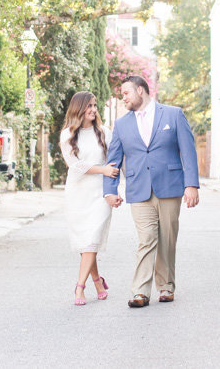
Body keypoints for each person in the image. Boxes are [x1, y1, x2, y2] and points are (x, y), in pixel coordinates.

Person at [104, 75, 199, 308]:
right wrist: (110, 191)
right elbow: (113, 160)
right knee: (146, 239)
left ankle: (166, 286)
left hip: (170, 186)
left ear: (140, 90)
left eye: (126, 93)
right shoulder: (122, 124)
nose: (123, 97)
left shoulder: (173, 114)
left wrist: (192, 185)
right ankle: (140, 292)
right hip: (139, 188)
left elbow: (188, 151)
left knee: (167, 238)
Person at [59, 91, 120, 306]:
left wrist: (113, 191)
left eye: (95, 105)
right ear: (79, 109)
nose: (93, 109)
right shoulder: (67, 134)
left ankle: (79, 287)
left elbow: (114, 164)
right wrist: (102, 170)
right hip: (77, 193)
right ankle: (97, 281)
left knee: (92, 238)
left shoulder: (104, 132)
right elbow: (75, 166)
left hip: (100, 194)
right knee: (86, 243)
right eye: (89, 106)